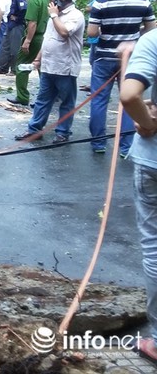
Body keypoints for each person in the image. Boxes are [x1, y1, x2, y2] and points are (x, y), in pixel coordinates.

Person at [88, 0, 155, 156]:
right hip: (132, 59)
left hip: (104, 58)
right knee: (129, 100)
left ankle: (98, 143)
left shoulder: (101, 3)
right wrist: (133, 35)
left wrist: (107, 31)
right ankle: (126, 146)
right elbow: (151, 29)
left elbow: (92, 32)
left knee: (99, 99)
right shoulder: (143, 2)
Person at [120, 32, 157, 364]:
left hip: (153, 160)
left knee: (154, 246)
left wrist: (146, 124)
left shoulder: (153, 41)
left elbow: (130, 94)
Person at [14, 0, 85, 144]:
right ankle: (34, 130)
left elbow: (64, 33)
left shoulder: (75, 15)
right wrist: (38, 59)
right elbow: (48, 39)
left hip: (65, 67)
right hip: (48, 66)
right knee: (42, 100)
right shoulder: (54, 15)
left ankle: (63, 132)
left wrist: (53, 16)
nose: (50, 2)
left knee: (66, 102)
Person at [8, 0, 49, 106]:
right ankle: (48, 97)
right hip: (48, 37)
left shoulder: (35, 0)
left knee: (21, 65)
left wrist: (27, 41)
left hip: (36, 37)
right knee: (43, 67)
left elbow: (32, 23)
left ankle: (22, 96)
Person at [80, 0, 112, 92]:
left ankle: (97, 88)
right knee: (94, 61)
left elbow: (90, 8)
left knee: (96, 61)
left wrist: (86, 8)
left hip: (98, 35)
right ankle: (95, 86)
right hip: (98, 35)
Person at [0, 0, 27, 75]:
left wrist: (17, 18)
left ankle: (14, 69)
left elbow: (23, 9)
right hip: (10, 25)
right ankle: (3, 68)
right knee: (5, 46)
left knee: (15, 48)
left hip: (17, 26)